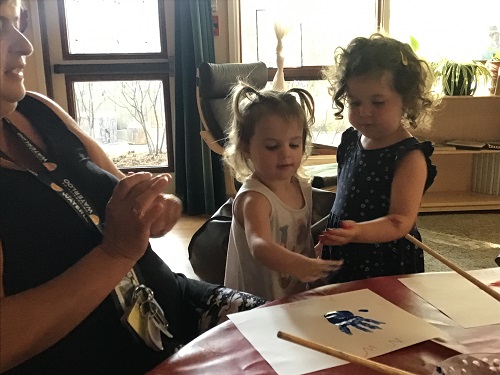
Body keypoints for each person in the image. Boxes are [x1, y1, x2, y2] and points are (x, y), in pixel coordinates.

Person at [0, 1, 265, 374]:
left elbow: (128, 194)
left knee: (278, 326)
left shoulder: (38, 111)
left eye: (18, 22)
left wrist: (157, 206)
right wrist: (115, 254)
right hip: (107, 358)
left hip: (173, 306)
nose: (24, 45)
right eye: (0, 26)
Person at [318, 33, 439, 283]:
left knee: (384, 318)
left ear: (405, 101)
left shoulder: (409, 157)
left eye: (378, 102)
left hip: (384, 259)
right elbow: (341, 201)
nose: (364, 112)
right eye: (354, 101)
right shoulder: (350, 141)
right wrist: (327, 238)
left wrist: (358, 232)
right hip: (345, 249)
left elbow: (400, 221)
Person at [222, 83, 343, 301]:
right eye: (272, 146)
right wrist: (300, 264)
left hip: (291, 293)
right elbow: (260, 245)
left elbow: (300, 240)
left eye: (294, 145)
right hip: (257, 301)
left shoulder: (301, 186)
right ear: (246, 147)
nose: (285, 154)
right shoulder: (255, 198)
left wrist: (312, 262)